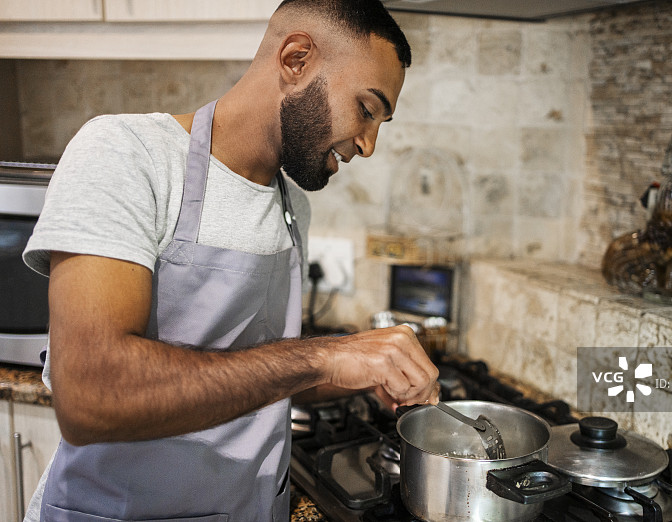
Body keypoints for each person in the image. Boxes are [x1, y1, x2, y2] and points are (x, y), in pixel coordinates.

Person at [21, 0, 440, 520]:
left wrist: (365, 371)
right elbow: (91, 395)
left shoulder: (293, 209)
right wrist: (324, 356)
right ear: (295, 59)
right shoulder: (126, 154)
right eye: (366, 108)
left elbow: (249, 373)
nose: (369, 143)